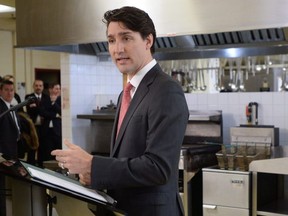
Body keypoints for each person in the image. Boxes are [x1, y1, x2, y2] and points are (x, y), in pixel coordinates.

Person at [52, 6, 189, 216]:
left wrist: (94, 166)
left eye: (126, 38)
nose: (117, 49)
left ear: (148, 41)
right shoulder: (127, 93)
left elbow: (158, 167)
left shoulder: (166, 90)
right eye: (112, 40)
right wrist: (92, 173)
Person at [25, 79, 50, 165]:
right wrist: (42, 110)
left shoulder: (47, 97)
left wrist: (37, 108)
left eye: (40, 86)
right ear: (33, 87)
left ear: (43, 87)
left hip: (44, 127)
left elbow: (48, 113)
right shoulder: (28, 97)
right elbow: (30, 111)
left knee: (43, 149)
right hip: (33, 127)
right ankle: (30, 167)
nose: (38, 87)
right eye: (36, 85)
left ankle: (41, 168)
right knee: (32, 149)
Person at [40, 83, 62, 166]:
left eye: (59, 89)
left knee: (58, 150)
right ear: (51, 89)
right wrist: (55, 115)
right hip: (47, 130)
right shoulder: (45, 99)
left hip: (57, 130)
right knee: (48, 151)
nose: (58, 90)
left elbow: (61, 111)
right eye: (56, 88)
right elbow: (42, 112)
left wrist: (53, 103)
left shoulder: (61, 100)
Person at [0, 80, 21, 159]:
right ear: (0, 91)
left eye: (11, 90)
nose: (9, 93)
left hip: (13, 147)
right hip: (3, 150)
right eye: (6, 90)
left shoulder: (12, 106)